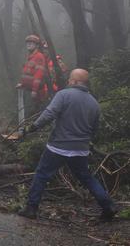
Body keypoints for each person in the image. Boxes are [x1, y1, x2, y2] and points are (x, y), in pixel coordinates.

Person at [18, 69, 119, 221]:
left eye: (71, 79)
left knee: (42, 174)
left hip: (58, 146)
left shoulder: (63, 95)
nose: (68, 82)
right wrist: (86, 142)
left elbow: (49, 114)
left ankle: (31, 208)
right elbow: (94, 128)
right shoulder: (94, 103)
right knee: (87, 178)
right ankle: (109, 206)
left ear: (76, 81)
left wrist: (32, 128)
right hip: (80, 149)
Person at [17, 34, 49, 103]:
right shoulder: (30, 57)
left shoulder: (39, 56)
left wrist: (34, 90)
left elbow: (38, 75)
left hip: (38, 92)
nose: (28, 44)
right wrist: (22, 83)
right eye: (28, 43)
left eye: (31, 43)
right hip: (29, 90)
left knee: (39, 109)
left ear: (37, 45)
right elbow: (27, 72)